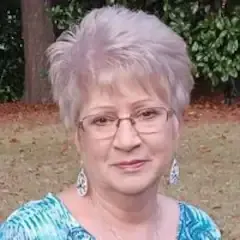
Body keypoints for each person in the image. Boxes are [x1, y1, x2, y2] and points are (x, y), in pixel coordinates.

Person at [0, 5, 221, 240]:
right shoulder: (29, 233)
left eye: (147, 114)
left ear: (176, 125)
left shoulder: (201, 229)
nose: (127, 141)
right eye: (102, 120)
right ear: (79, 137)